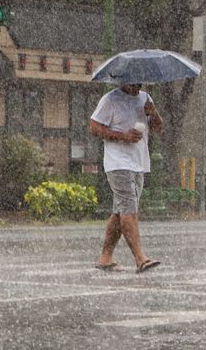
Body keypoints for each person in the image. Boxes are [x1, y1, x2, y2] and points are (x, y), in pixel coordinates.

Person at [88, 82, 163, 273]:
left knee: (121, 210)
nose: (137, 85)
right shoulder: (110, 99)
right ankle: (140, 258)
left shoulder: (145, 98)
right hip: (118, 163)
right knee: (129, 208)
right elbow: (94, 127)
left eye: (139, 81)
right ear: (123, 80)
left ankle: (105, 257)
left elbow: (158, 128)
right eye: (133, 81)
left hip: (139, 162)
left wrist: (153, 113)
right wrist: (122, 136)